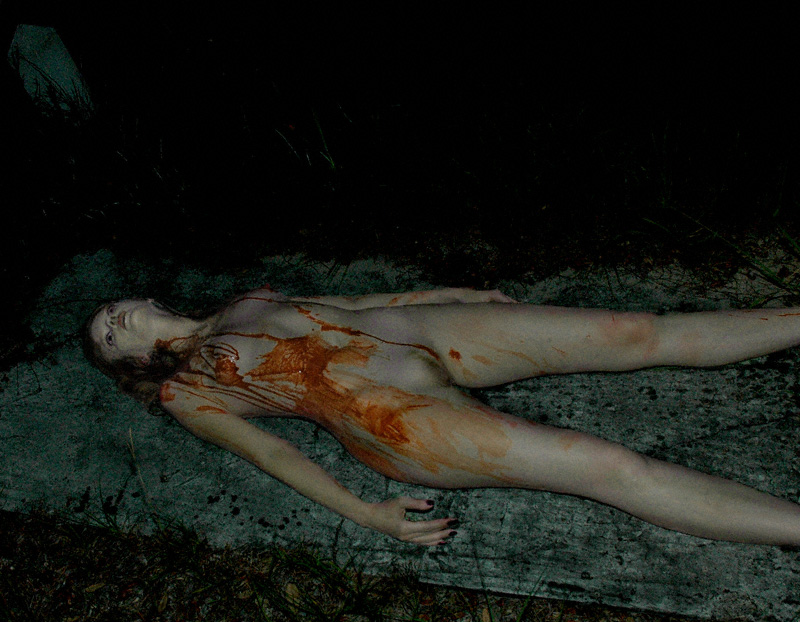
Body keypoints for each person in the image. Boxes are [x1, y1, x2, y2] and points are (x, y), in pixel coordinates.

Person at [84, 286, 800, 547]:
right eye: (107, 337)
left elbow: (349, 305)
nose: (113, 323)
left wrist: (448, 293)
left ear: (144, 298)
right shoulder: (186, 392)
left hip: (417, 333)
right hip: (390, 416)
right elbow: (271, 453)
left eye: (110, 312)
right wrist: (367, 515)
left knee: (632, 332)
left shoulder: (241, 300)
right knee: (607, 466)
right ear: (129, 364)